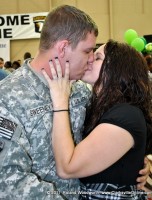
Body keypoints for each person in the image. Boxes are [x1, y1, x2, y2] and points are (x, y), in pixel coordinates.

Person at [0, 5, 149, 200]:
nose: (90, 60)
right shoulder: (9, 97)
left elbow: (107, 136)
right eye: (88, 52)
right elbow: (8, 179)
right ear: (63, 48)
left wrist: (133, 161)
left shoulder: (79, 91)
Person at [42, 40, 152, 200]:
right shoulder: (101, 107)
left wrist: (60, 101)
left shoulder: (126, 115)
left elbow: (67, 168)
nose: (90, 59)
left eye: (98, 57)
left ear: (117, 69)